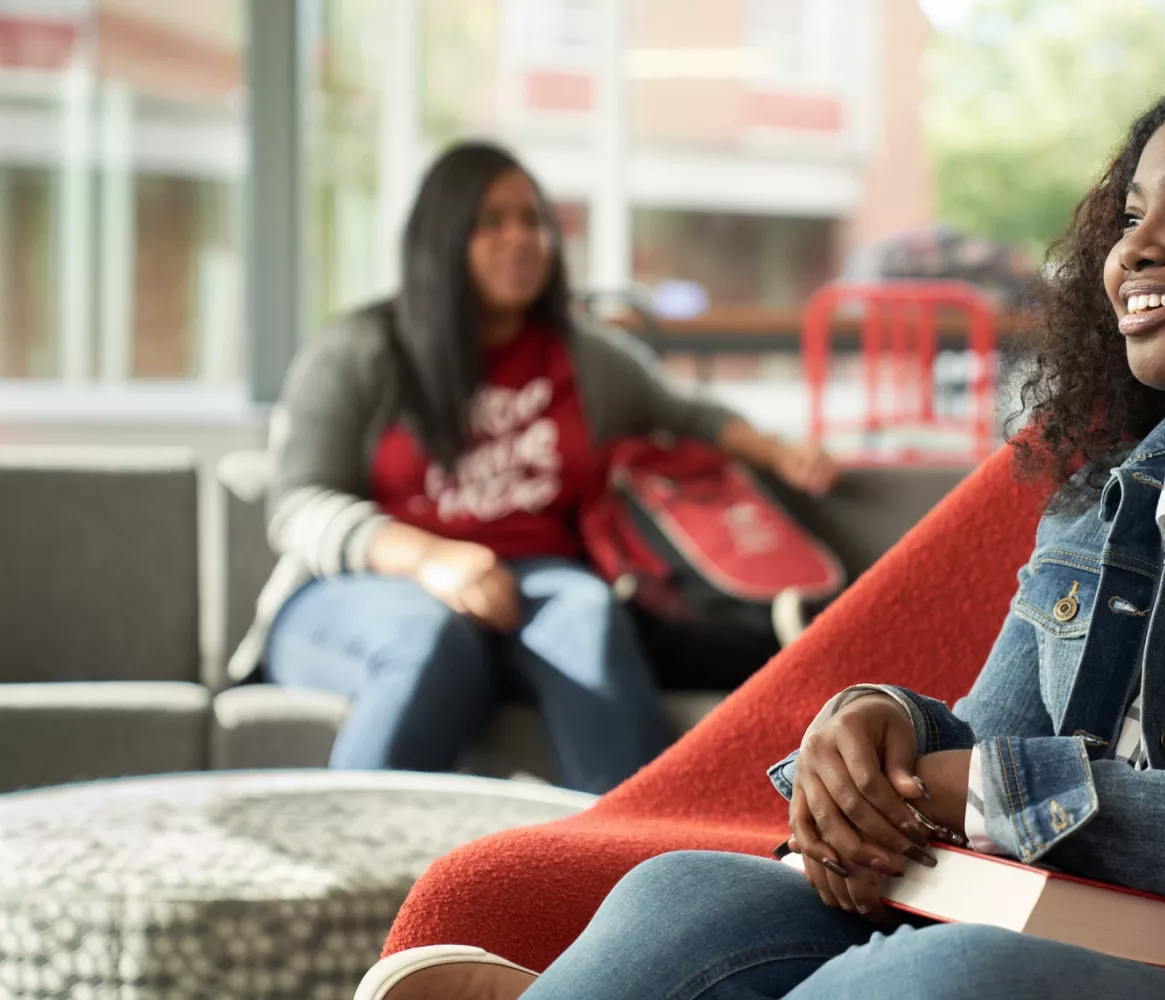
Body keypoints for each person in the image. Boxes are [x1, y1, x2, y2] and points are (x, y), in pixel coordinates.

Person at [358, 48, 1165, 999]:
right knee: (682, 888)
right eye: (1128, 211)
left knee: (921, 988)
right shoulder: (1115, 484)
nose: (1131, 247)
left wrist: (963, 784)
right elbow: (1000, 747)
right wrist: (880, 733)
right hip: (1112, 920)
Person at [237, 141, 838, 794]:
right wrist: (430, 560)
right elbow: (298, 506)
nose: (520, 239)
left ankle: (626, 871)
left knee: (587, 611)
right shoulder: (357, 351)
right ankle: (349, 881)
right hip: (362, 595)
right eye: (491, 222)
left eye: (532, 221)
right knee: (432, 639)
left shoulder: (585, 359)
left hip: (532, 587)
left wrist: (778, 451)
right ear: (441, 238)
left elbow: (686, 411)